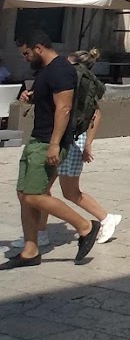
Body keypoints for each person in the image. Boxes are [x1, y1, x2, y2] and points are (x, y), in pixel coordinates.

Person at [4, 33, 102, 268]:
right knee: (23, 195)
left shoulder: (60, 70)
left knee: (34, 195)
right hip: (38, 140)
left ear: (38, 48)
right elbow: (50, 102)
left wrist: (55, 144)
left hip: (49, 142)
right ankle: (30, 250)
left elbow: (64, 108)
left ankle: (85, 227)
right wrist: (32, 97)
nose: (25, 59)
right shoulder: (46, 70)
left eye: (26, 53)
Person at [11, 49, 121, 255]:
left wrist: (88, 144)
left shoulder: (75, 83)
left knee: (69, 192)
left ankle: (105, 219)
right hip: (66, 140)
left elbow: (95, 115)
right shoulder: (67, 80)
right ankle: (40, 233)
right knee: (43, 190)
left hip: (71, 142)